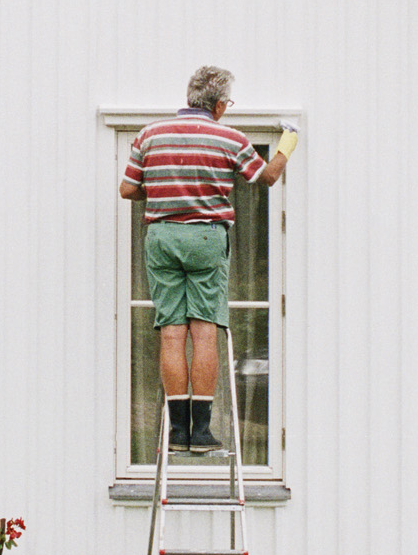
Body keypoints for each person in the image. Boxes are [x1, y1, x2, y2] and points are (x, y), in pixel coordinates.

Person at [120, 66, 297, 451]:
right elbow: (266, 178)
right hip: (205, 236)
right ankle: (200, 432)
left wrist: (164, 193)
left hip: (162, 235)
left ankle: (176, 432)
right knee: (203, 331)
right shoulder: (229, 138)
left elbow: (128, 189)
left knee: (171, 331)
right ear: (219, 104)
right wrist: (288, 141)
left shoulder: (150, 135)